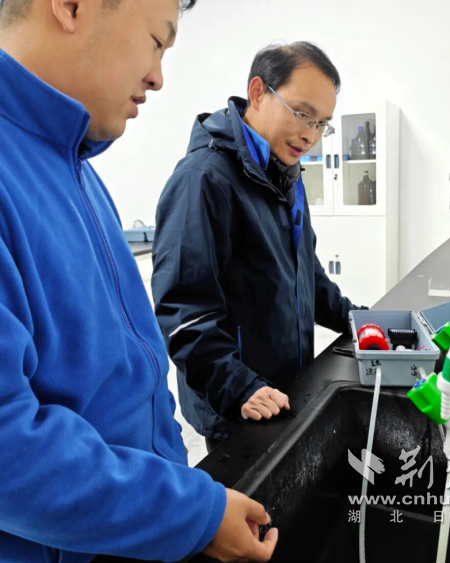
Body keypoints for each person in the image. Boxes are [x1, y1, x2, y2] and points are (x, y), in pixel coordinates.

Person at [0, 0, 277, 561]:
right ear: (71, 6)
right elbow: (9, 449)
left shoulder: (76, 170)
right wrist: (189, 515)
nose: (158, 77)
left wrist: (183, 502)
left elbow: (132, 386)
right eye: (155, 41)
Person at [152, 42, 367, 452]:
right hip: (240, 402)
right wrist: (237, 387)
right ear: (257, 92)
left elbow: (306, 274)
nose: (310, 135)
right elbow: (184, 311)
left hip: (286, 386)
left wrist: (359, 322)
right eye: (301, 113)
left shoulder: (285, 173)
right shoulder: (204, 180)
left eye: (322, 124)